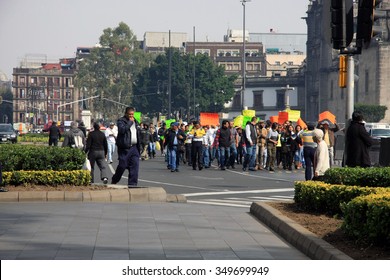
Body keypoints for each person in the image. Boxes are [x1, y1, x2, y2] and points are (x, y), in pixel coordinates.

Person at [111, 107, 142, 187]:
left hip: (134, 148)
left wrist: (140, 146)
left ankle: (132, 184)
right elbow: (122, 130)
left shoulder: (136, 121)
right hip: (125, 148)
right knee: (122, 165)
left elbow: (138, 134)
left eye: (132, 114)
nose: (131, 116)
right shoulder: (121, 121)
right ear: (126, 114)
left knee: (135, 166)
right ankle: (115, 179)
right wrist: (130, 123)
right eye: (129, 114)